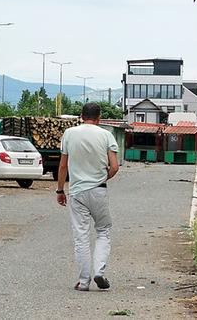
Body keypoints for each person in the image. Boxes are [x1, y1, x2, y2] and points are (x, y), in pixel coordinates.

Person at [56, 102, 120, 292]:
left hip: (77, 193)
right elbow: (115, 167)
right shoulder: (107, 135)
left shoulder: (69, 134)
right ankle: (99, 271)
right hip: (99, 190)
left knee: (81, 236)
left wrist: (60, 190)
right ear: (99, 117)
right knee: (103, 231)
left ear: (81, 116)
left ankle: (84, 282)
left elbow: (62, 166)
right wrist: (102, 178)